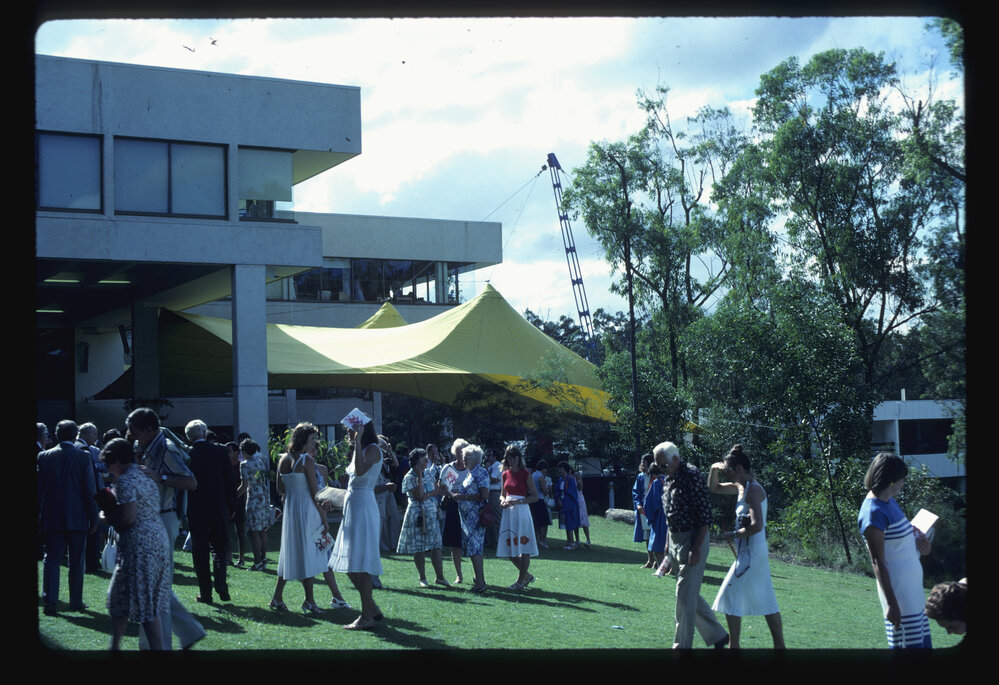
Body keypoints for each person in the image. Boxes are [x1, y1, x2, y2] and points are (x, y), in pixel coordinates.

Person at [126, 407, 205, 650]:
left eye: (135, 431)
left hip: (163, 519)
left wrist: (158, 477)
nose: (132, 436)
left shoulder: (166, 449)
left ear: (150, 429)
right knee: (154, 585)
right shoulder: (149, 447)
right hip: (155, 520)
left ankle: (158, 646)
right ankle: (186, 634)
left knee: (153, 587)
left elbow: (191, 482)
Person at [707, 444, 784, 649]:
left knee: (729, 592)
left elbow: (757, 525)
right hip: (746, 551)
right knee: (765, 597)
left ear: (739, 469)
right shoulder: (741, 487)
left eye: (729, 470)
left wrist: (734, 534)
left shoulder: (754, 490)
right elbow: (713, 487)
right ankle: (778, 646)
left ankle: (735, 646)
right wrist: (714, 469)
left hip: (753, 552)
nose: (728, 473)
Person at [269, 423, 349, 616]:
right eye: (313, 439)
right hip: (307, 512)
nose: (316, 443)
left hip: (292, 511)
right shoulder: (307, 461)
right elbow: (316, 495)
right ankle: (309, 601)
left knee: (292, 553)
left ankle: (280, 598)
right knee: (311, 553)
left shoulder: (283, 460)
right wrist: (325, 519)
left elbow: (280, 490)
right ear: (303, 439)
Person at [655, 440, 728, 649]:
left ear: (676, 459)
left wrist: (696, 549)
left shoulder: (691, 474)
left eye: (663, 465)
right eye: (658, 466)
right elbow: (671, 516)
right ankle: (719, 636)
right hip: (676, 540)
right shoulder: (669, 478)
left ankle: (681, 646)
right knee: (690, 594)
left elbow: (705, 515)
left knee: (683, 595)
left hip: (693, 540)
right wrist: (668, 548)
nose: (660, 469)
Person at [100, 438, 171, 650]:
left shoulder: (125, 481)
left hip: (139, 547)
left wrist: (106, 518)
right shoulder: (144, 476)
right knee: (119, 597)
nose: (108, 469)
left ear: (117, 461)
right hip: (156, 541)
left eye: (109, 463)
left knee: (145, 604)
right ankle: (115, 647)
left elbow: (128, 517)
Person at [858, 452, 933, 649]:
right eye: (902, 480)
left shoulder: (890, 501)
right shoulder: (872, 513)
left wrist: (921, 546)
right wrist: (892, 604)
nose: (903, 484)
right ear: (891, 480)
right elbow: (877, 562)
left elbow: (899, 543)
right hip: (899, 594)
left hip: (913, 591)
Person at [37, 419, 98, 615]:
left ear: (56, 435)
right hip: (78, 517)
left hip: (52, 516)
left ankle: (50, 601)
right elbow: (90, 491)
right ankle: (75, 601)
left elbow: (39, 492)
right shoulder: (83, 457)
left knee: (52, 559)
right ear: (75, 436)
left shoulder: (44, 456)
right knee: (76, 561)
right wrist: (94, 518)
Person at [329, 419, 385, 630]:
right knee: (351, 564)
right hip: (353, 506)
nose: (350, 434)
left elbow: (361, 472)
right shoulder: (360, 449)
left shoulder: (372, 449)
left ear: (363, 430)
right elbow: (353, 483)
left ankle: (367, 615)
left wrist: (359, 440)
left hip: (364, 507)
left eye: (353, 430)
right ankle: (371, 607)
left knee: (359, 563)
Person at [185, 419, 237, 604]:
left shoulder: (188, 454)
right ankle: (221, 582)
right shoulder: (220, 451)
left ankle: (205, 593)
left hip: (196, 507)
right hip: (218, 505)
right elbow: (230, 480)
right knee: (220, 547)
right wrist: (231, 504)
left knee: (200, 552)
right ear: (205, 433)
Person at [396, 448, 449, 587]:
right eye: (424, 459)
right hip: (418, 514)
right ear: (416, 462)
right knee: (419, 547)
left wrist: (439, 490)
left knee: (436, 545)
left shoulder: (429, 474)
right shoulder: (409, 477)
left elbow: (435, 489)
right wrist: (421, 478)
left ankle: (440, 577)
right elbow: (419, 496)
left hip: (431, 513)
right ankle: (422, 577)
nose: (427, 461)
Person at [449, 444, 491, 594]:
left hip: (476, 518)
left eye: (466, 458)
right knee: (473, 550)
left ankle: (481, 582)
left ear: (475, 459)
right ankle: (478, 580)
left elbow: (484, 495)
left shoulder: (481, 473)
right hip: (467, 519)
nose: (463, 460)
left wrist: (462, 497)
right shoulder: (470, 473)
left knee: (475, 549)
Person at [497, 445, 539, 590]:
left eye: (514, 457)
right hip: (509, 513)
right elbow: (503, 493)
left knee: (524, 546)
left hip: (522, 511)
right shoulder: (505, 474)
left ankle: (520, 581)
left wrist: (518, 501)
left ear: (518, 458)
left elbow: (535, 496)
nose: (511, 460)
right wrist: (503, 500)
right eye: (509, 457)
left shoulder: (525, 474)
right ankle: (526, 576)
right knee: (509, 548)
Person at [438, 438, 469, 584]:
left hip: (469, 507)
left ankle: (477, 574)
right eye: (457, 452)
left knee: (470, 541)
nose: (460, 455)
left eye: (462, 452)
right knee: (455, 542)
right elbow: (442, 487)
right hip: (453, 506)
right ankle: (459, 574)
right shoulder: (448, 468)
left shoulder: (471, 469)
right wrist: (451, 493)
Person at [239, 438, 272, 571]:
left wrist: (233, 496)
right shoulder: (260, 461)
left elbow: (244, 485)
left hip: (253, 499)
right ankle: (263, 559)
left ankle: (257, 562)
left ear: (244, 451)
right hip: (263, 498)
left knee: (254, 532)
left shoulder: (245, 464)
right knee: (262, 530)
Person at [644, 462, 670, 574]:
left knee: (657, 546)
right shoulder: (670, 480)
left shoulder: (656, 483)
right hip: (671, 515)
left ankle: (662, 569)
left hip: (660, 517)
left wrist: (650, 517)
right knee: (669, 544)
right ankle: (671, 569)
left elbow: (651, 503)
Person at [226, 440, 248, 567]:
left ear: (236, 452)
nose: (227, 454)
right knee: (227, 530)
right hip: (228, 500)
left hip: (239, 500)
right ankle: (229, 558)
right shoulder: (225, 465)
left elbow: (244, 484)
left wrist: (235, 497)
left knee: (240, 530)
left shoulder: (241, 466)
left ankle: (241, 558)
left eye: (229, 451)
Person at [632, 453, 654, 567]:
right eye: (641, 462)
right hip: (643, 509)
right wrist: (638, 505)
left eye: (643, 462)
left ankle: (658, 561)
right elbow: (636, 492)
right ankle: (650, 560)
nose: (642, 464)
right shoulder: (640, 477)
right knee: (646, 534)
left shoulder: (656, 476)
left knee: (654, 534)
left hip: (653, 509)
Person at [555, 461, 580, 550]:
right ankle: (568, 541)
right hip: (562, 503)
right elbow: (557, 491)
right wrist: (558, 500)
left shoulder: (570, 480)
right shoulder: (560, 479)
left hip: (569, 504)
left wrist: (564, 500)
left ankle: (572, 543)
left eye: (561, 468)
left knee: (570, 523)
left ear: (564, 469)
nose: (559, 470)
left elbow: (572, 493)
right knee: (565, 523)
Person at [529, 460, 552, 550]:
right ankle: (542, 541)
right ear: (544, 469)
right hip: (540, 499)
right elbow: (545, 491)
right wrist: (548, 488)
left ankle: (536, 540)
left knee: (535, 522)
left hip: (532, 500)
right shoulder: (540, 476)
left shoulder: (532, 475)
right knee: (544, 522)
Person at [484, 447, 503, 549]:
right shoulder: (489, 466)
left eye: (489, 456)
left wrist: (486, 470)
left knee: (496, 517)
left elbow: (493, 479)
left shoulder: (498, 466)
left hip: (495, 493)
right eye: (486, 456)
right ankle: (491, 541)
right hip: (488, 493)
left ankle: (498, 541)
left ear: (495, 457)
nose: (487, 458)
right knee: (488, 518)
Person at [575, 470, 592, 548]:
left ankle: (588, 539)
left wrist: (578, 479)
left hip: (580, 500)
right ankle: (577, 540)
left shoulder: (578, 479)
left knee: (584, 520)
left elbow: (580, 488)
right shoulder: (570, 479)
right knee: (575, 521)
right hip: (574, 500)